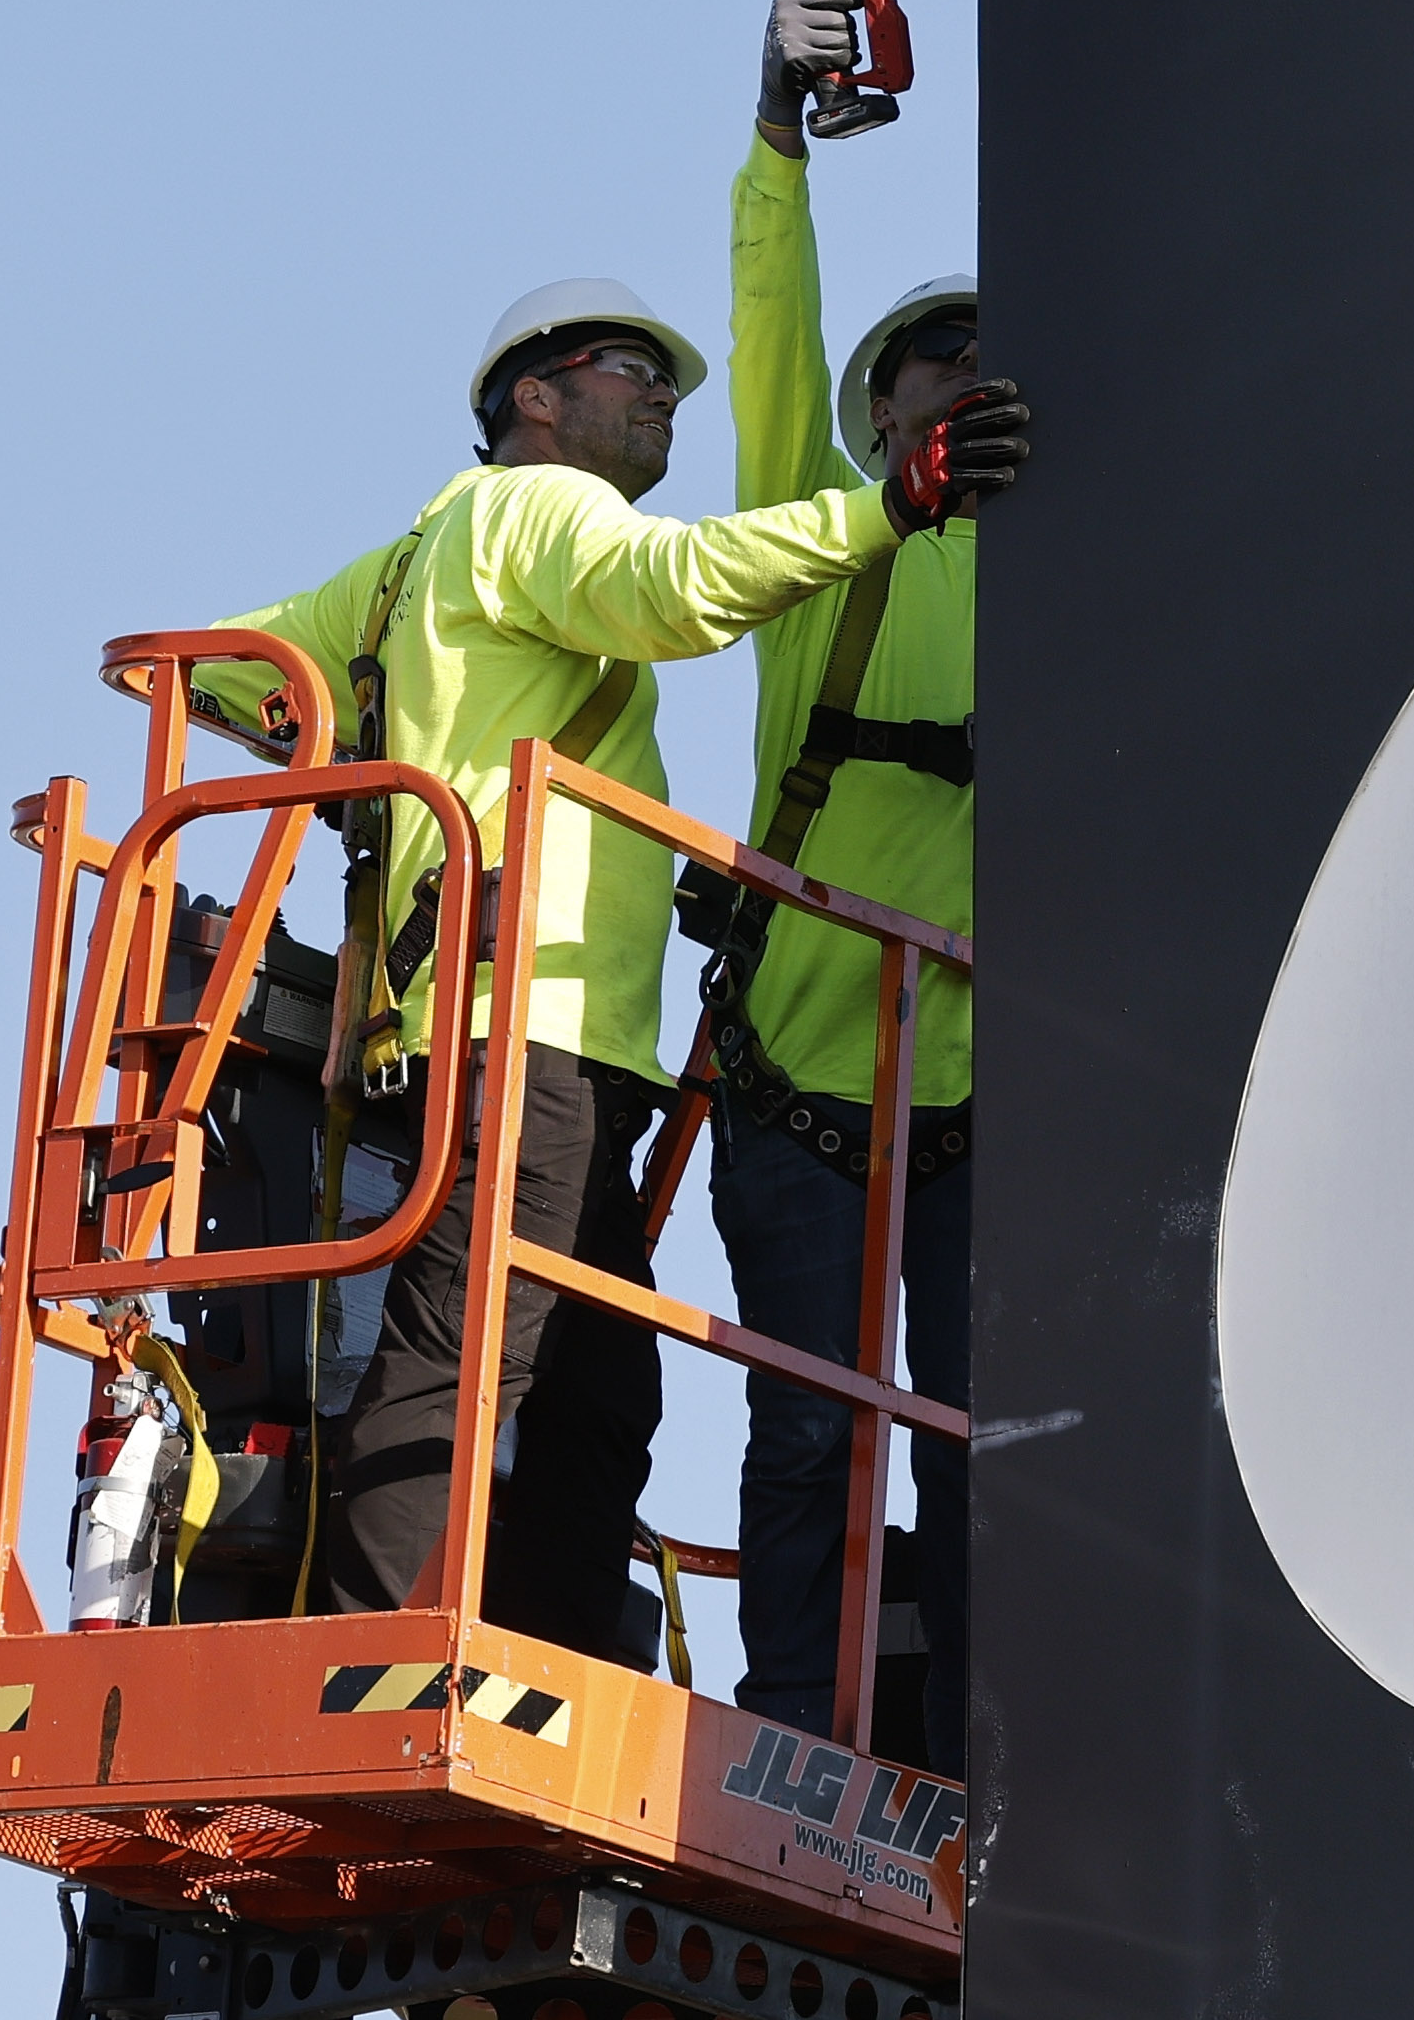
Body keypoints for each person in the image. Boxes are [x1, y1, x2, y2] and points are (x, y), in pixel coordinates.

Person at [217, 278, 1032, 1659]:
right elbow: (672, 589)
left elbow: (239, 672)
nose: (665, 394)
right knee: (473, 1355)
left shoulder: (418, 558)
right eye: (631, 369)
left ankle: (534, 1666)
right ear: (535, 398)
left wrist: (394, 748)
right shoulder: (540, 509)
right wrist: (888, 509)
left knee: (592, 1391)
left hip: (532, 1034)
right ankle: (370, 1664)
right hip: (518, 1013)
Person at [707, 0, 996, 1758]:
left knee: (983, 1439)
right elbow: (770, 316)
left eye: (994, 356)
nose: (973, 375)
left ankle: (978, 1750)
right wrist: (776, 138)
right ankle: (793, 1734)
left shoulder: (1077, 588)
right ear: (882, 408)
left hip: (976, 1099)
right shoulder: (821, 547)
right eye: (941, 356)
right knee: (813, 1421)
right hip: (802, 1076)